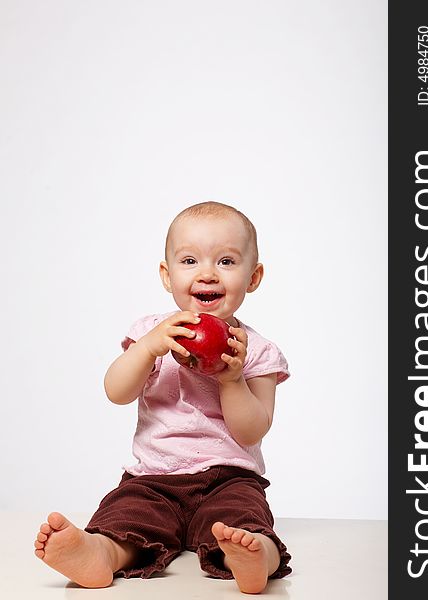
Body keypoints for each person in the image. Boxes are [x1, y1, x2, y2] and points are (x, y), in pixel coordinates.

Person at [34, 201, 292, 594]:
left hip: (228, 477)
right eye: (189, 260)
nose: (207, 273)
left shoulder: (254, 350)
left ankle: (256, 556)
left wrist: (232, 380)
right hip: (153, 477)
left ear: (253, 277)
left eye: (226, 261)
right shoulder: (150, 334)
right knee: (128, 514)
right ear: (166, 275)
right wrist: (147, 349)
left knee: (243, 519)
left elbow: (252, 431)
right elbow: (116, 392)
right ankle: (101, 552)